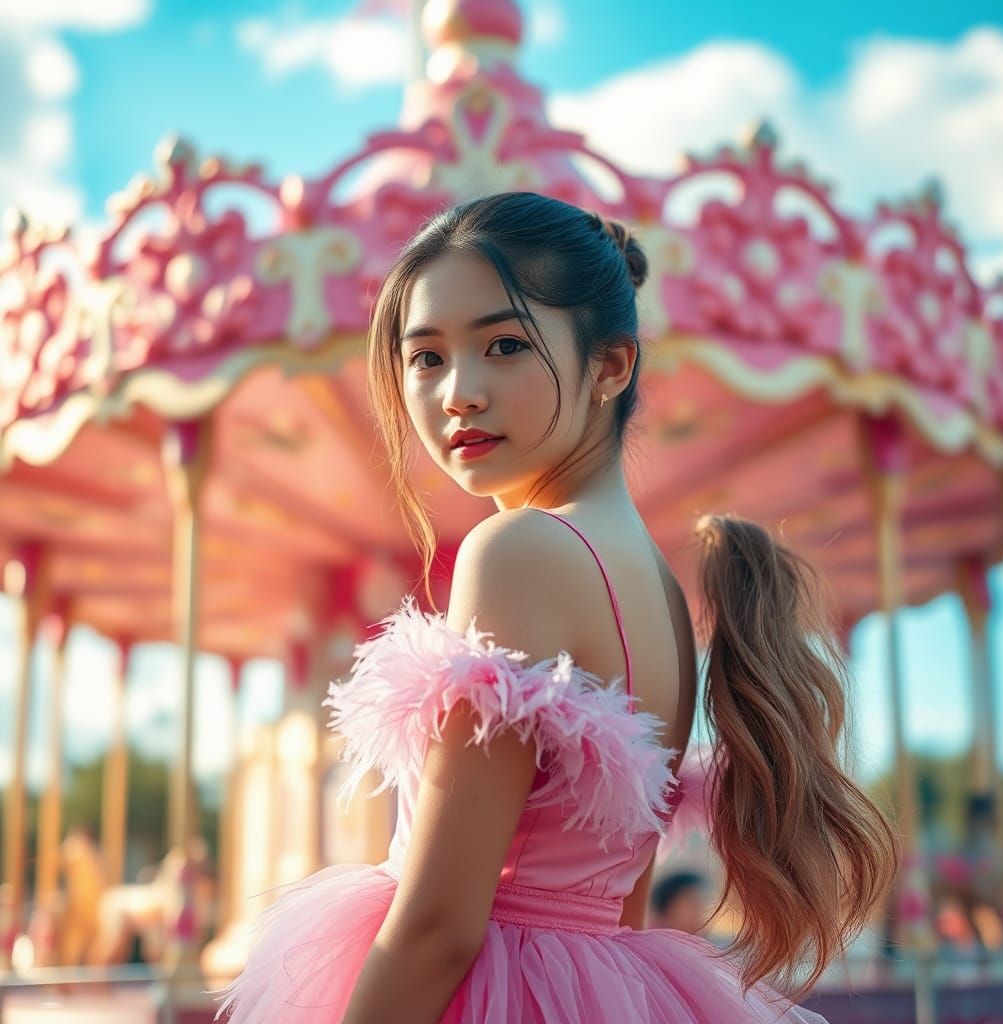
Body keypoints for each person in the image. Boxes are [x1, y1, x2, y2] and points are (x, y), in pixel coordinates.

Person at [214, 191, 900, 1023]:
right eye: (425, 357)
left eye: (504, 344)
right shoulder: (655, 587)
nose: (458, 392)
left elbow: (440, 923)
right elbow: (623, 909)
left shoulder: (518, 552)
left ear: (611, 366)